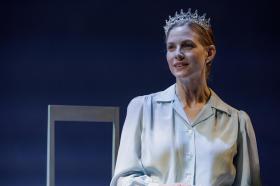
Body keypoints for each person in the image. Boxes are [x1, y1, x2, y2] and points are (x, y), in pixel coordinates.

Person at [110, 9, 261, 186]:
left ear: (209, 53)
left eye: (187, 45)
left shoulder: (237, 121)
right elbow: (122, 180)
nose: (177, 54)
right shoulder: (142, 109)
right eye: (171, 47)